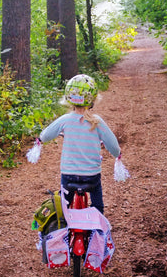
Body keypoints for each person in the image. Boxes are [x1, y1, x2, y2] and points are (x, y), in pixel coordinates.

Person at [37, 74, 121, 215]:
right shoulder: (97, 121)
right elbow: (112, 145)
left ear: (69, 99)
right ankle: (98, 227)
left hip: (69, 175)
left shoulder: (65, 120)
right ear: (93, 100)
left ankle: (62, 226)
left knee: (63, 207)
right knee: (97, 206)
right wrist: (117, 155)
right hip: (91, 176)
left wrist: (40, 140)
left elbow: (45, 136)